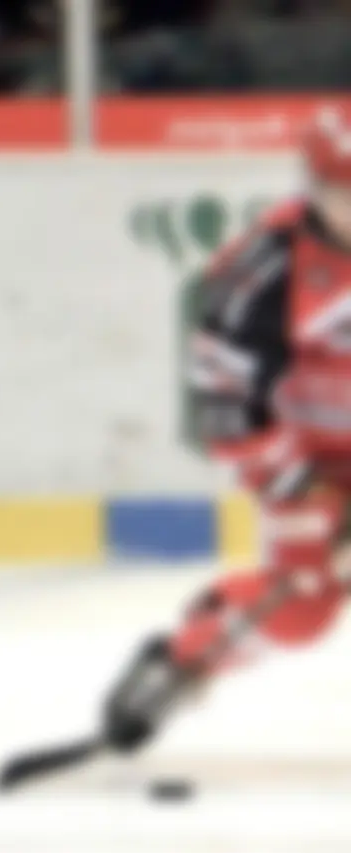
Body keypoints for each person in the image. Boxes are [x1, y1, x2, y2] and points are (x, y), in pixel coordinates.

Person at [96, 106, 351, 755]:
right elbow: (225, 394)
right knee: (298, 608)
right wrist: (299, 485)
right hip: (307, 460)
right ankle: (181, 659)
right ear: (317, 187)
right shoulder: (268, 264)